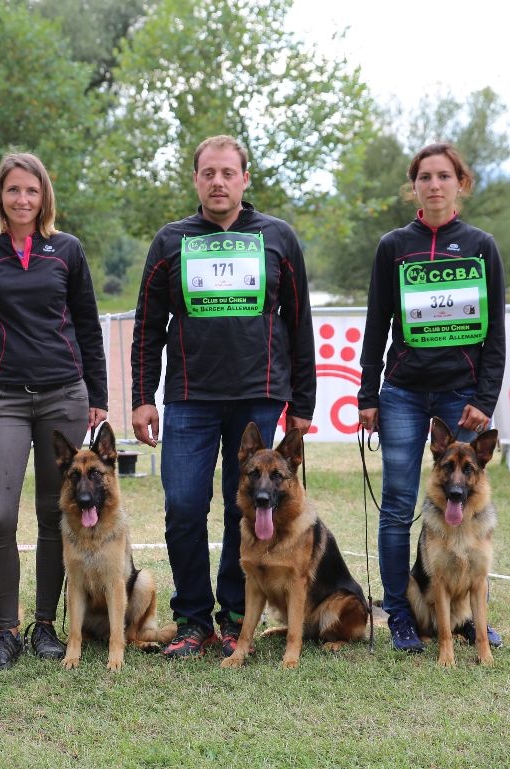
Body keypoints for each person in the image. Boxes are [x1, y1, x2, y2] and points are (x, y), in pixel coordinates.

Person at [131, 135, 316, 659]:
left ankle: (237, 616)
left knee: (254, 506)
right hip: (189, 398)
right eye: (208, 173)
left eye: (228, 173)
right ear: (196, 180)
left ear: (244, 179)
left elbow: (299, 324)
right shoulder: (171, 241)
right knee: (185, 506)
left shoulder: (277, 236)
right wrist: (143, 396)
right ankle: (193, 619)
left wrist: (303, 402)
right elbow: (147, 326)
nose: (218, 181)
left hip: (260, 396)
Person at [0, 152, 108, 670]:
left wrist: (99, 395)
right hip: (3, 399)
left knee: (52, 513)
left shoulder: (67, 250)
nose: (23, 200)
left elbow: (87, 325)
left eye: (32, 191)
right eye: (14, 190)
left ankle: (44, 626)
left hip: (65, 394)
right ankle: (6, 630)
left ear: (45, 198)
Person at [358, 142, 506, 653]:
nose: (435, 184)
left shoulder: (482, 245)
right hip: (401, 393)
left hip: (462, 395)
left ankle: (465, 618)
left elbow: (496, 334)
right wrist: (367, 395)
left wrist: (485, 398)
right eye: (425, 176)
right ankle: (400, 614)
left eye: (444, 176)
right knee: (399, 506)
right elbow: (376, 325)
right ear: (414, 185)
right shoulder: (393, 245)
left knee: (461, 504)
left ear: (460, 182)